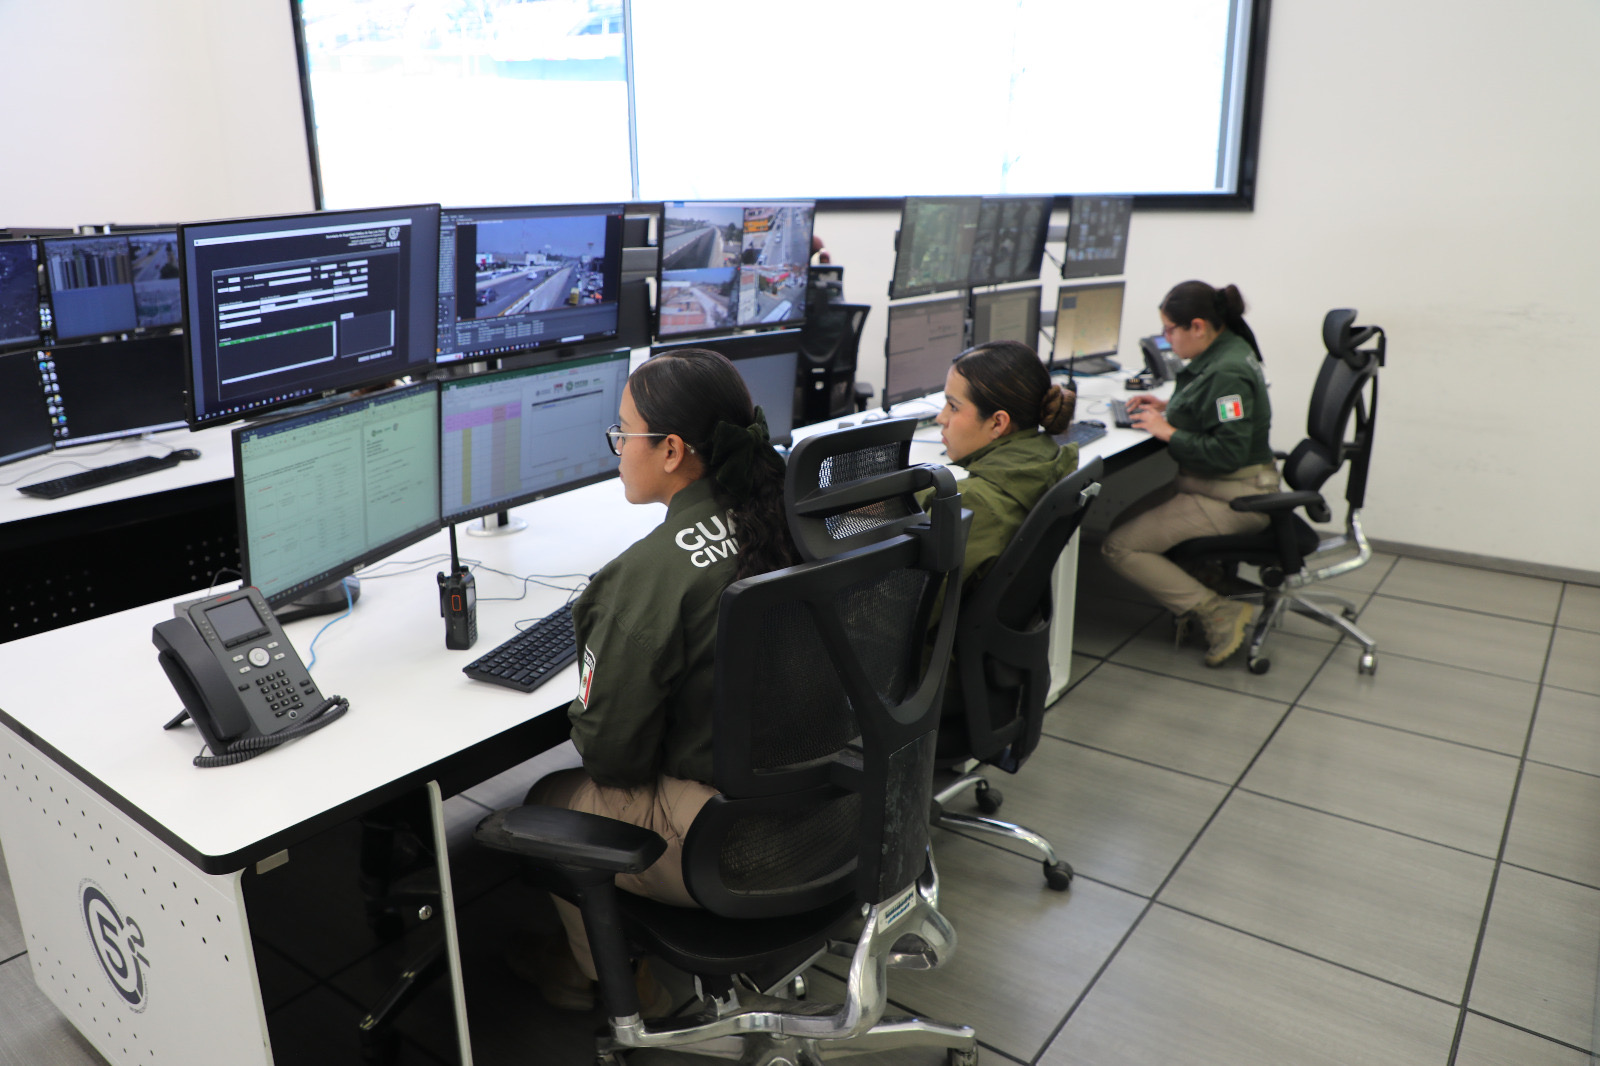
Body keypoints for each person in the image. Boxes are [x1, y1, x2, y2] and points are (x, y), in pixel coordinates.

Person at [523, 348, 799, 1013]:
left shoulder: (644, 579)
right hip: (829, 813)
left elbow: (613, 759)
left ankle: (613, 984)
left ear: (672, 450)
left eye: (623, 432)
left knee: (549, 798)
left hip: (733, 844)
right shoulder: (794, 514)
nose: (618, 448)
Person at [1101, 280, 1277, 666]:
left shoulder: (1228, 372)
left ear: (1197, 326)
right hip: (1211, 484)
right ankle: (1206, 580)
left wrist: (1167, 431)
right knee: (1122, 524)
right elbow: (1211, 405)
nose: (1165, 340)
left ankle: (1219, 612)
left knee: (1120, 547)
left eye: (1169, 330)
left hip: (1236, 495)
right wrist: (1167, 406)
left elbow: (1228, 451)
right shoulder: (1226, 348)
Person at [927, 340, 1079, 623]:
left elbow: (913, 609)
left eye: (953, 406)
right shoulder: (1046, 461)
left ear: (997, 423)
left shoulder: (975, 504)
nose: (941, 417)